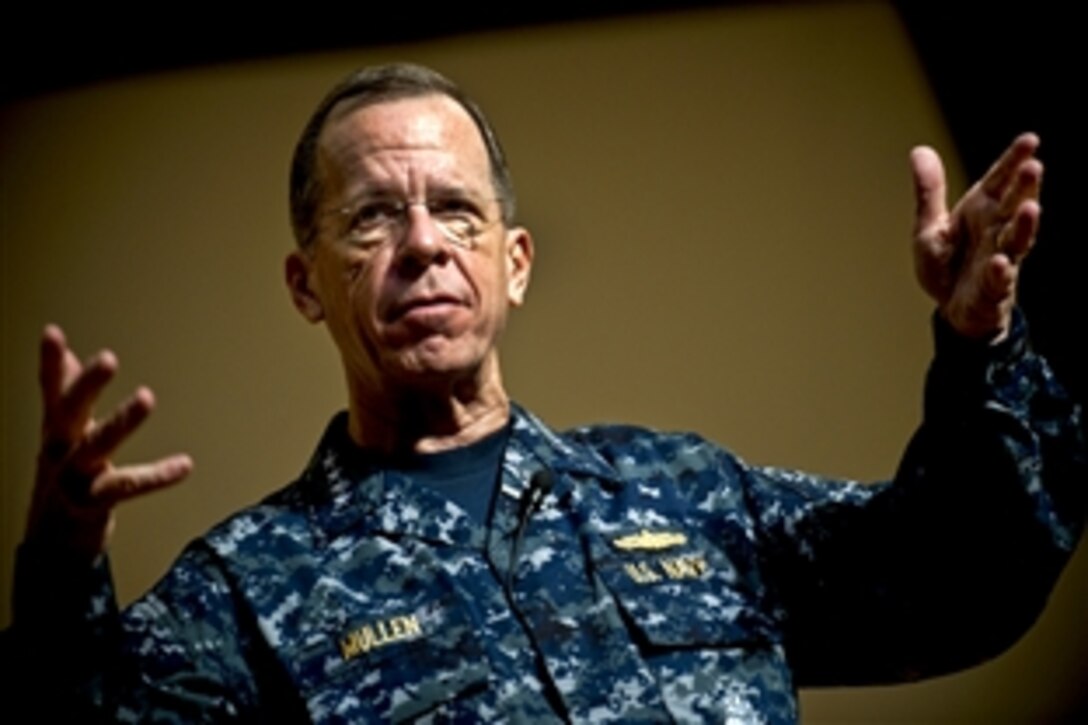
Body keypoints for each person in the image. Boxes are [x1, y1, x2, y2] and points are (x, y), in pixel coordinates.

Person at [6, 63, 1084, 722]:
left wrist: (976, 342)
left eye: (456, 211)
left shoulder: (684, 494)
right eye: (373, 217)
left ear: (514, 262)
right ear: (305, 283)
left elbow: (958, 580)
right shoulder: (244, 589)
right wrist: (61, 556)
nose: (423, 243)